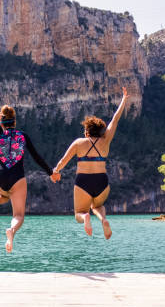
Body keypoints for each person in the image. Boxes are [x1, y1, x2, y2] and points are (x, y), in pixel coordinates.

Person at [0, 73, 60, 252]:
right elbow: (37, 157)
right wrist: (51, 173)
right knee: (18, 214)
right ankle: (11, 231)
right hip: (17, 179)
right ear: (14, 121)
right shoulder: (23, 137)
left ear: (1, 122)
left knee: (5, 194)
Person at [52, 87, 130, 239]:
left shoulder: (79, 143)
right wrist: (124, 99)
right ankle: (103, 220)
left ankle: (86, 218)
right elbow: (115, 119)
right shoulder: (105, 142)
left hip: (83, 181)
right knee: (98, 206)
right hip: (102, 181)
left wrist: (55, 171)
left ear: (87, 131)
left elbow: (63, 161)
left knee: (79, 213)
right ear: (101, 132)